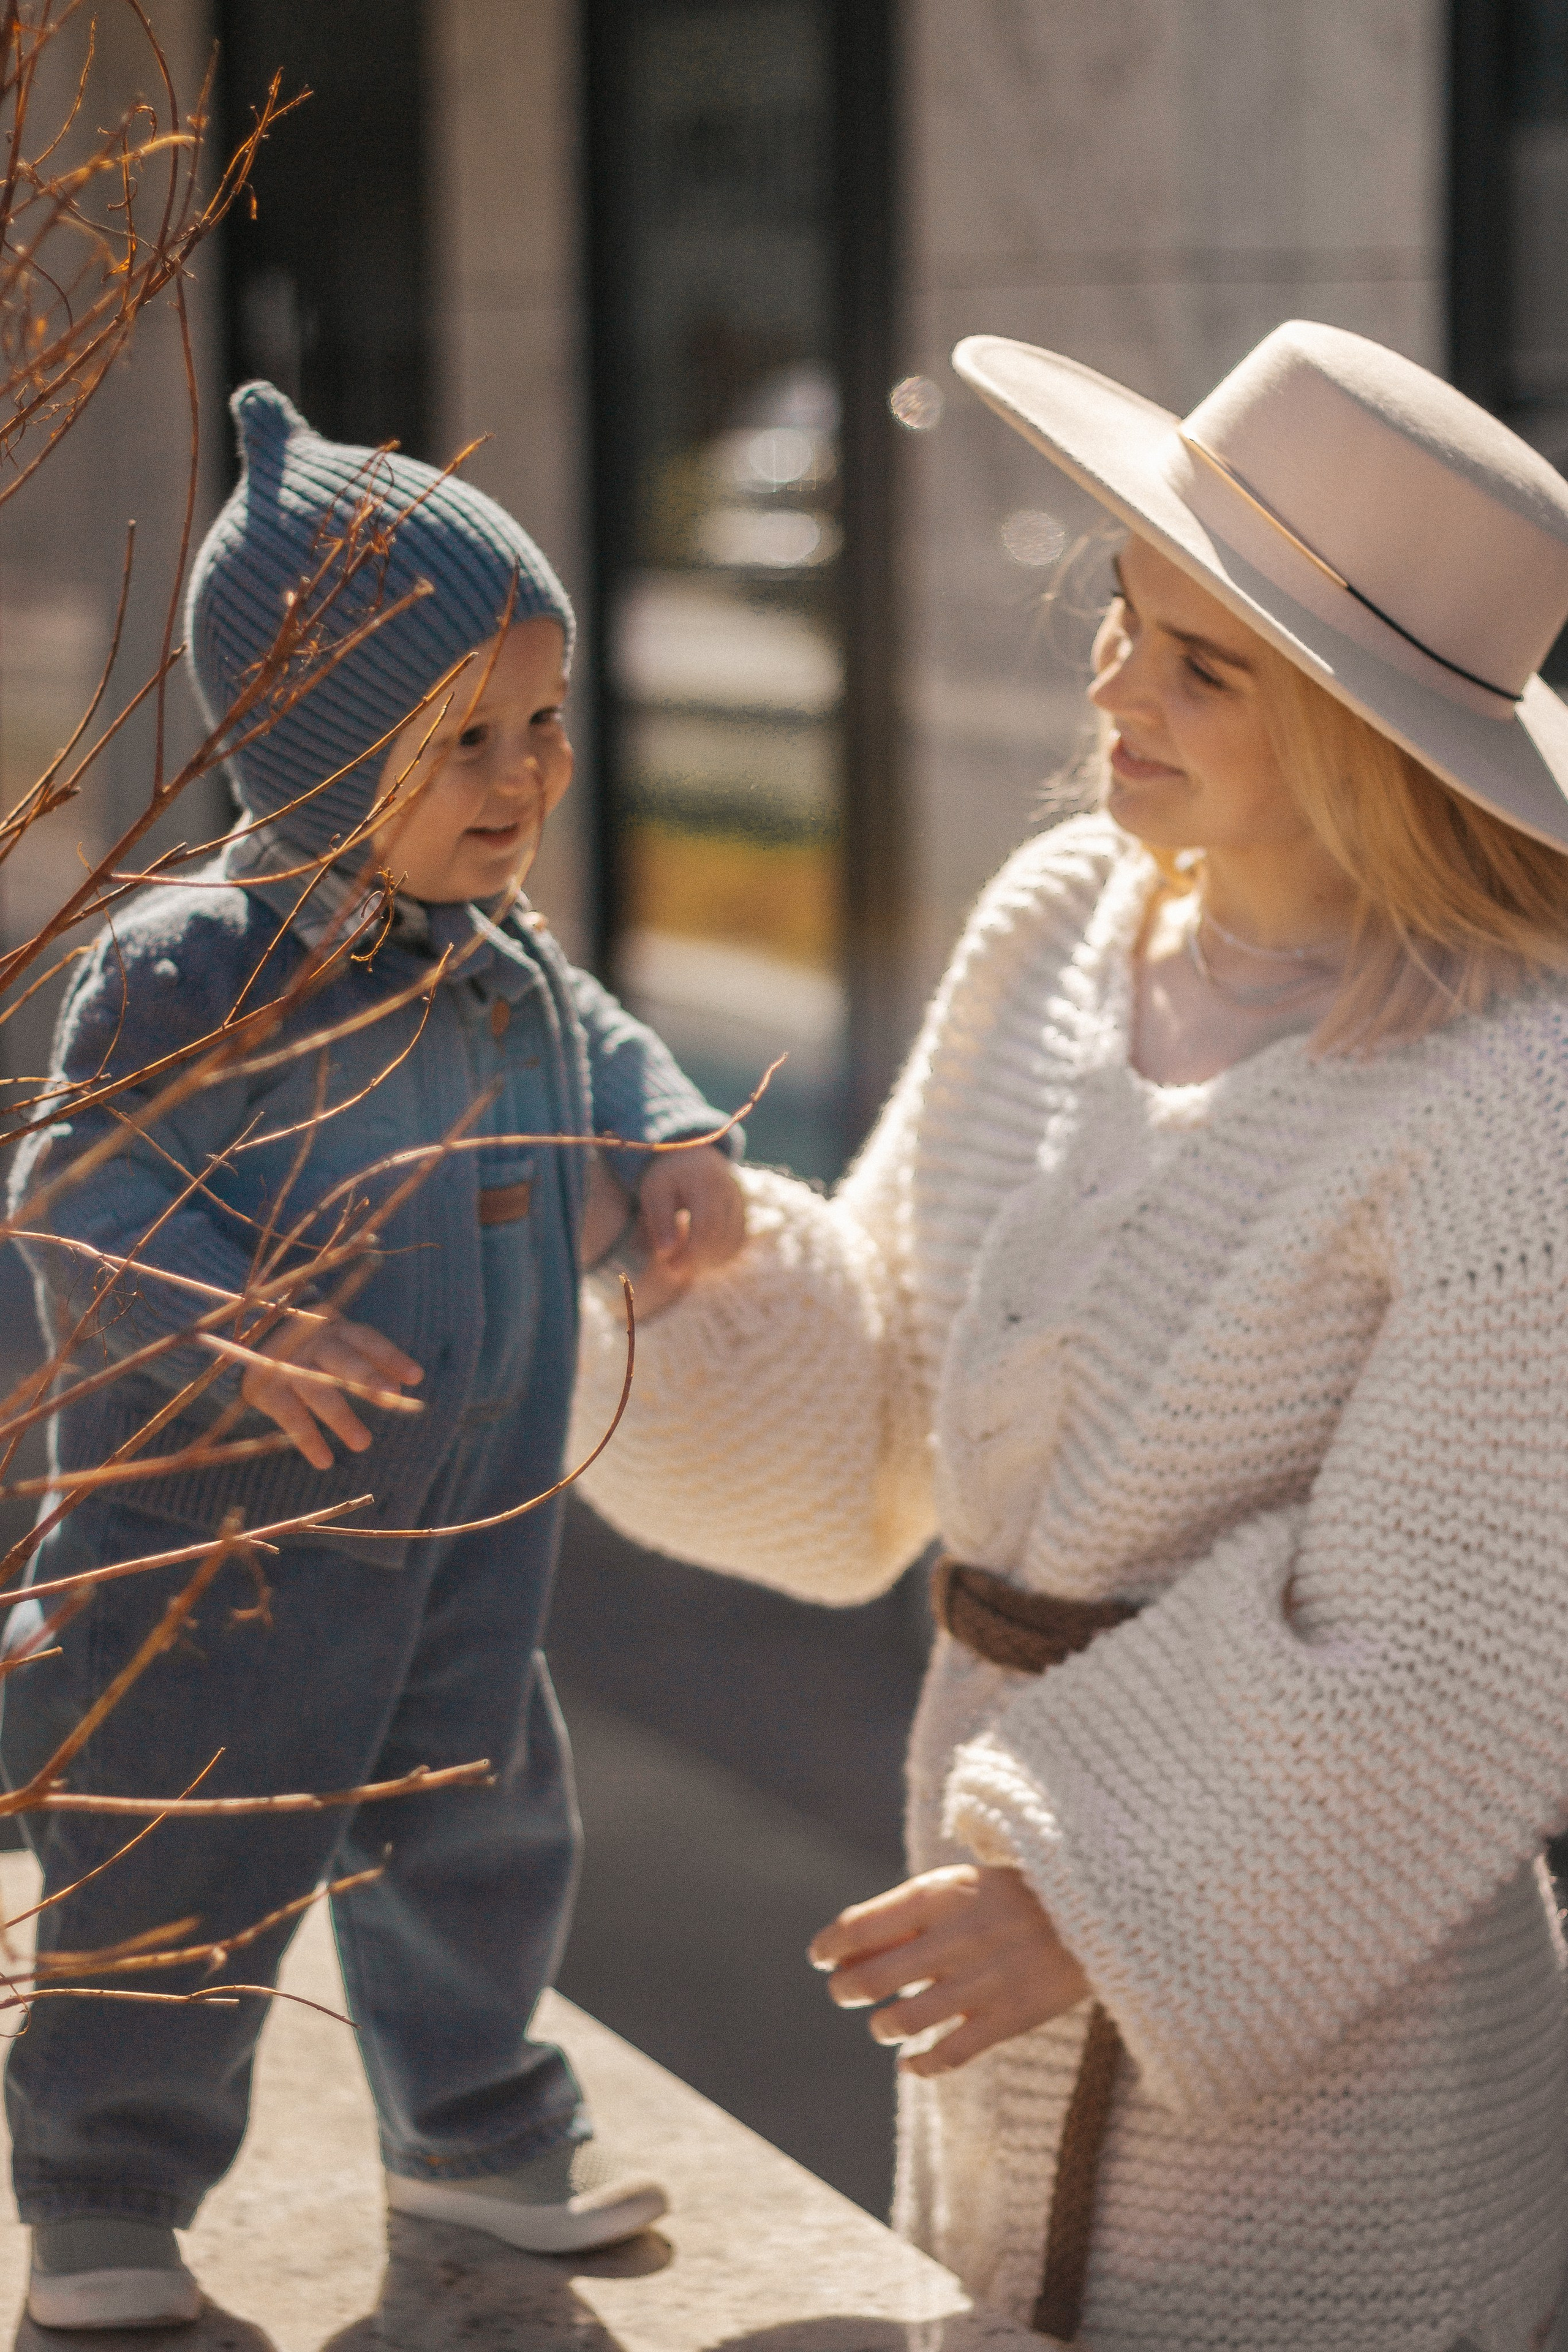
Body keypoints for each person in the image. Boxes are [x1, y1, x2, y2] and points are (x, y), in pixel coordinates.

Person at [571, 320, 1568, 2350]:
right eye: (1129, 618)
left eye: (1208, 665)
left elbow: (1455, 1657)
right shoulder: (1054, 918)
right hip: (996, 1934)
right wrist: (684, 1263)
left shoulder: (1509, 1109)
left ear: (1381, 737)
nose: (1116, 684)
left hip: (1339, 2068)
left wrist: (1088, 1900)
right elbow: (887, 1411)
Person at [3, 381, 745, 2332]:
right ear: (322, 749)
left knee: (484, 1839)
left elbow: (597, 1044)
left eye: (543, 725)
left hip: (469, 1528)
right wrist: (220, 1312)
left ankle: (482, 2147)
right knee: (179, 1876)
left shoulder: (501, 954)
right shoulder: (194, 968)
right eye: (463, 743)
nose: (524, 778)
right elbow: (76, 1189)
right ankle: (103, 2200)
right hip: (227, 1554)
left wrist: (669, 1136)